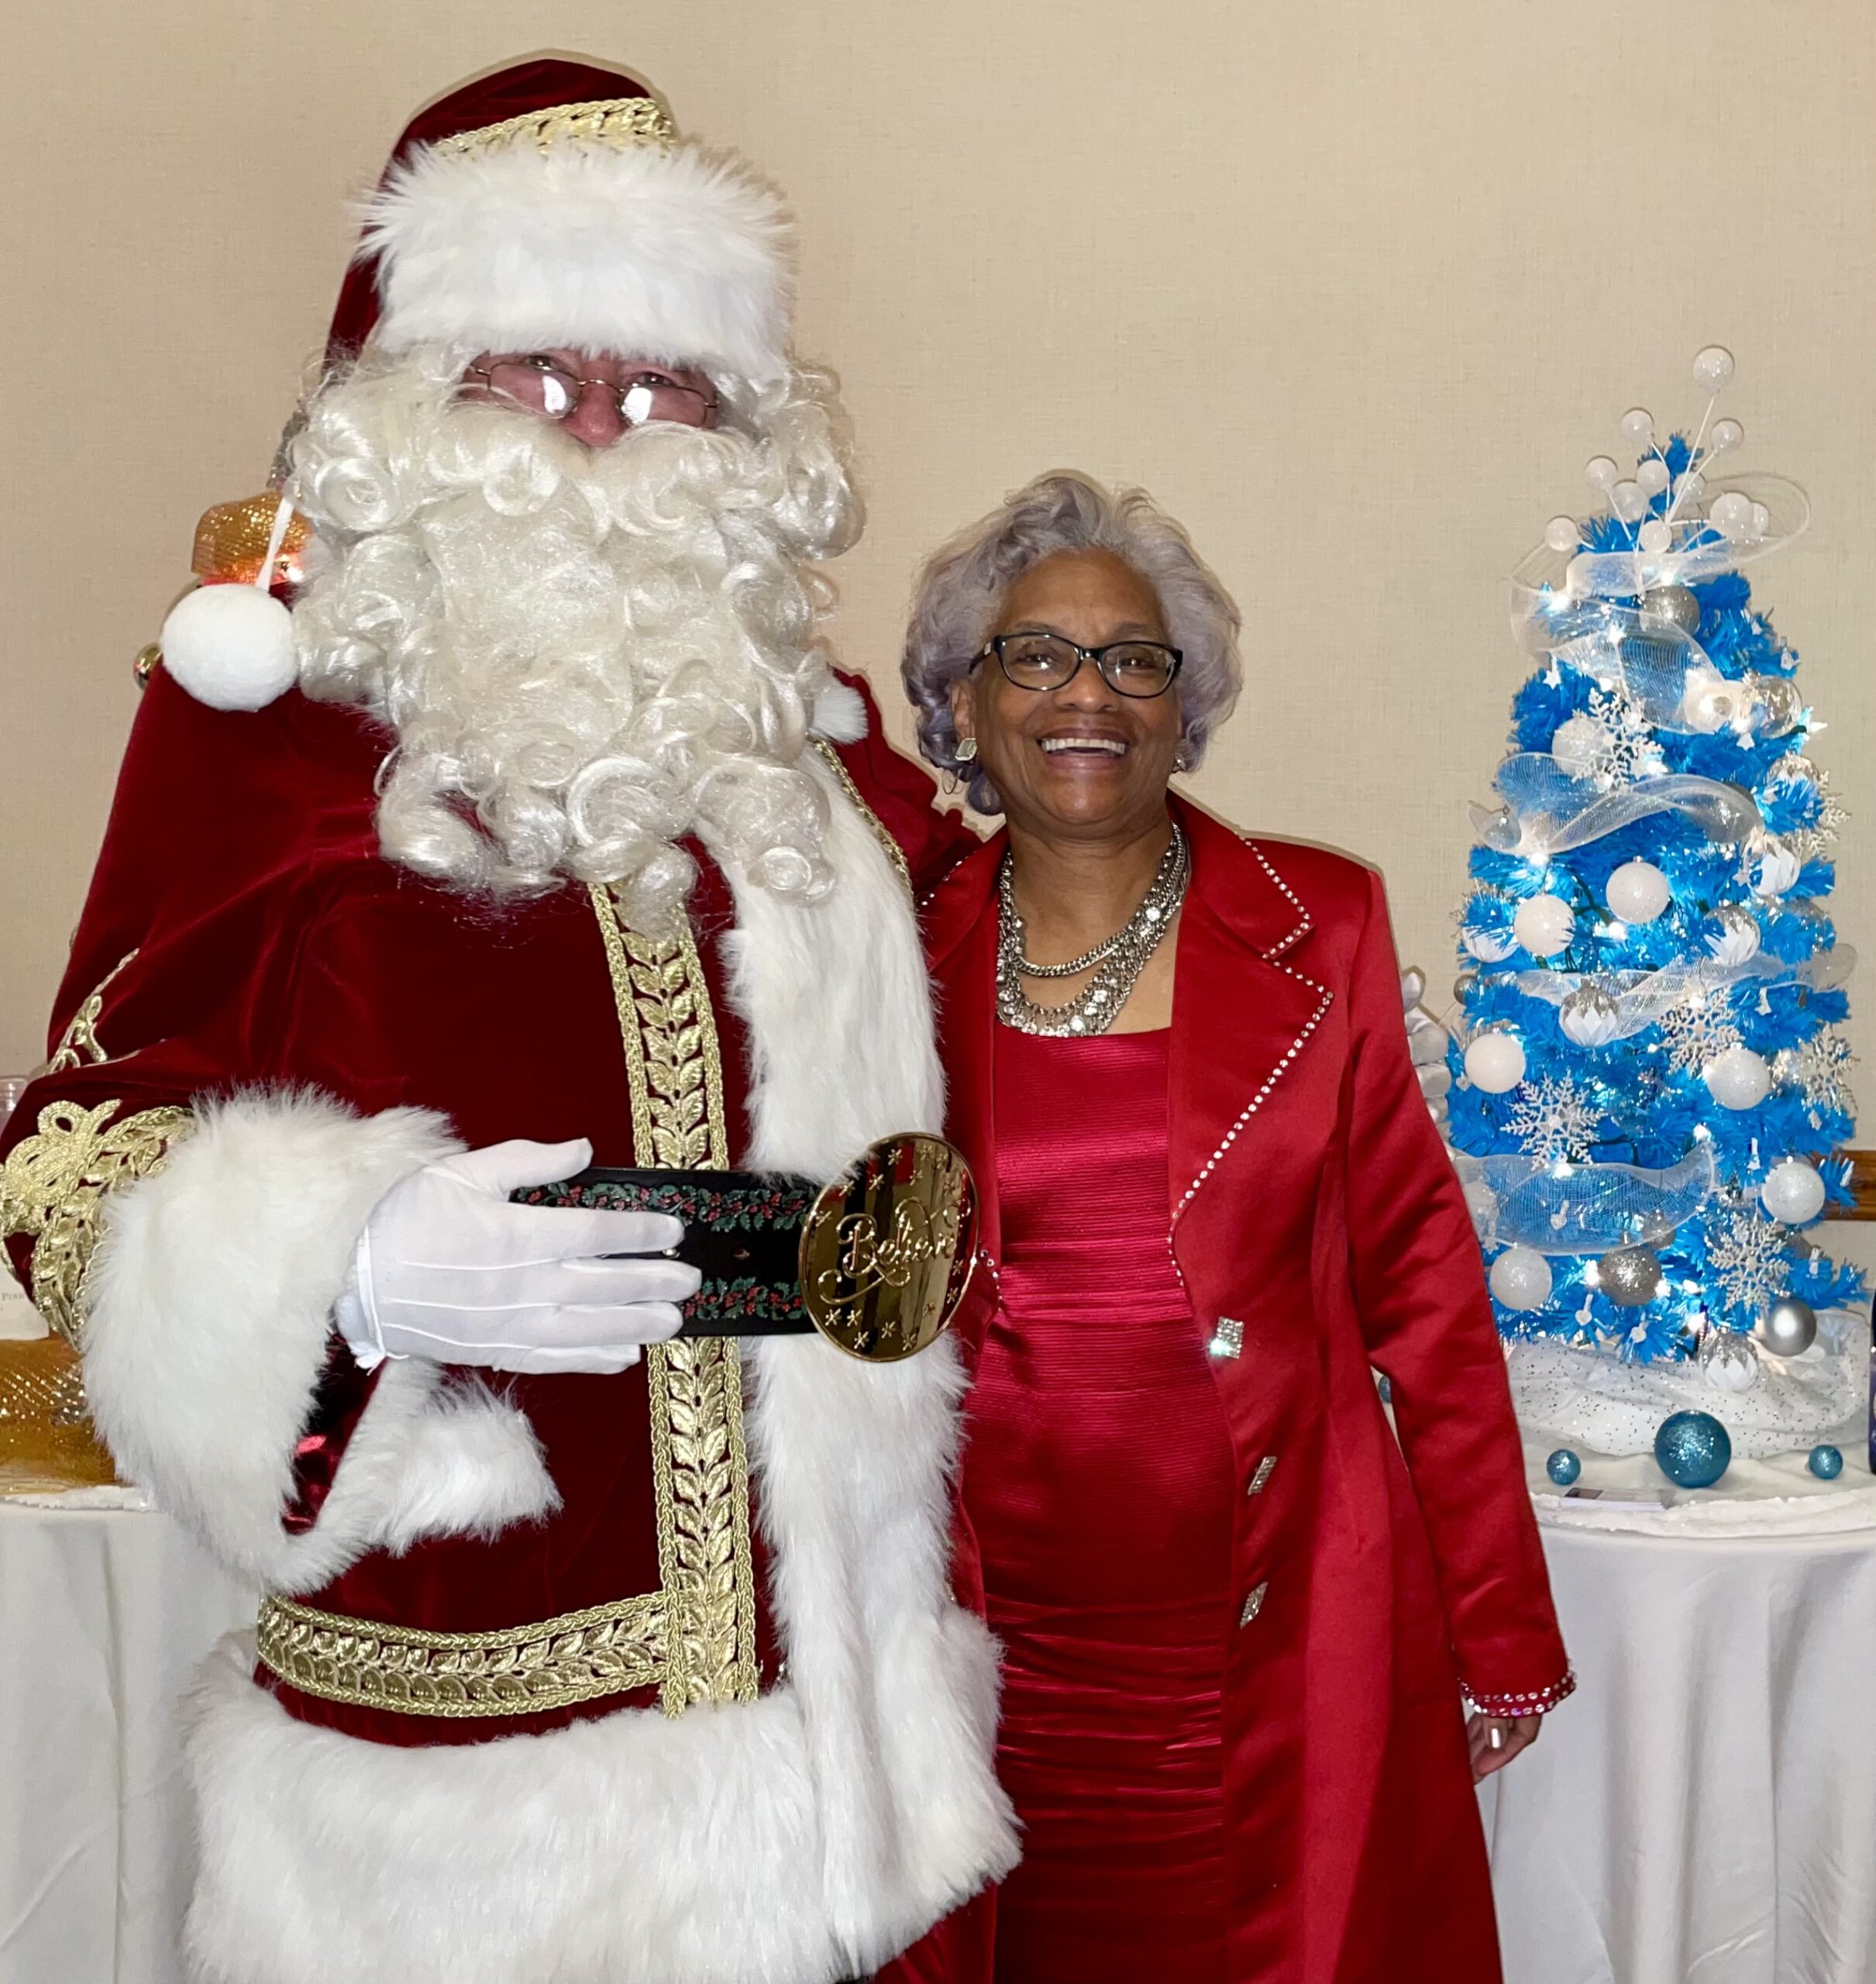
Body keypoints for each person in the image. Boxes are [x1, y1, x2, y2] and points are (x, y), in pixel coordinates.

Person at [0, 59, 1014, 1984]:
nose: (604, 432)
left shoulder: (810, 761)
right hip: (468, 1732)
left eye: (662, 386)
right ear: (410, 397)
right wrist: (352, 1261)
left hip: (838, 1694)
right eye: (535, 376)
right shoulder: (273, 737)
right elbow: (66, 1148)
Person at [900, 473, 1572, 1984]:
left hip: (1266, 1628)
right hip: (984, 1639)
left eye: (1136, 658)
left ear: (1184, 702)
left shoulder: (1318, 922)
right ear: (963, 696)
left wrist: (1497, 1627)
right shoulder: (888, 949)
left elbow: (1424, 1296)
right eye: (1036, 653)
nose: (1089, 692)